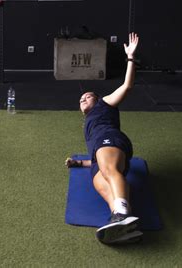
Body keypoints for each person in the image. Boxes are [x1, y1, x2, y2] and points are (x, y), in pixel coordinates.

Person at [65, 33, 142, 244]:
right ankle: (122, 224)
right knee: (100, 183)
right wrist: (79, 163)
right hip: (102, 152)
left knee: (108, 171)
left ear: (98, 99)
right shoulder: (88, 122)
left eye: (88, 95)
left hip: (110, 139)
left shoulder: (105, 104)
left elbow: (127, 86)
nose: (83, 98)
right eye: (81, 99)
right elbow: (101, 158)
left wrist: (130, 58)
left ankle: (122, 215)